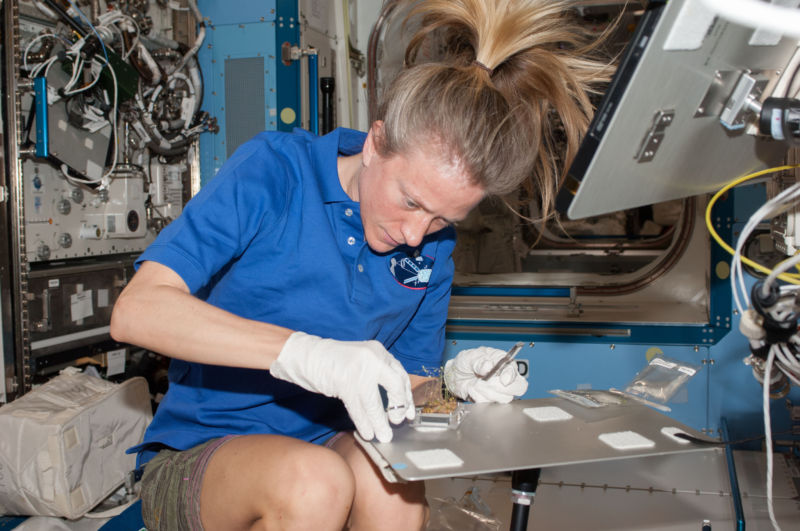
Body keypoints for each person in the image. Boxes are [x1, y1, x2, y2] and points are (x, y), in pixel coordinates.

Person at [109, 0, 610, 529]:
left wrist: (457, 384)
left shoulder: (433, 251)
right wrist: (304, 354)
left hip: (330, 443)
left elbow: (408, 390)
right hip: (203, 455)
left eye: (443, 219)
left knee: (393, 481)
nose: (417, 234)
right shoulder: (275, 173)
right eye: (412, 201)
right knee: (315, 482)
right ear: (374, 144)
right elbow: (138, 311)